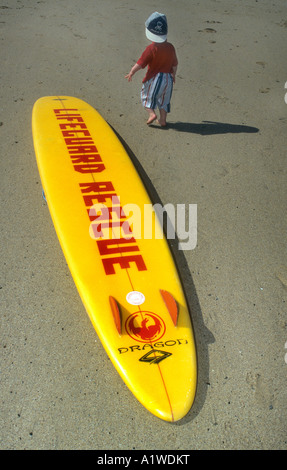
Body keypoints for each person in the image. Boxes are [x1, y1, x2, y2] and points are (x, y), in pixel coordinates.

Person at [125, 12, 178, 127]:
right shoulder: (171, 47)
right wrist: (173, 75)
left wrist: (132, 72)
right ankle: (163, 120)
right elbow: (175, 64)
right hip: (168, 79)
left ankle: (151, 114)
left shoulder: (151, 48)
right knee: (164, 100)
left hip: (155, 78)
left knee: (147, 97)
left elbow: (141, 63)